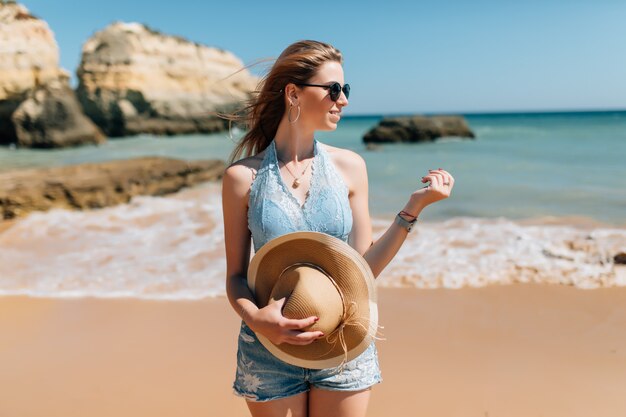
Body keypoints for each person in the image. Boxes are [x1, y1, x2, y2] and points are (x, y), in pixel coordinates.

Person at [221, 40, 454, 417]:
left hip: (344, 341)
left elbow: (362, 271)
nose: (342, 100)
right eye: (333, 89)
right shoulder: (241, 178)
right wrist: (255, 318)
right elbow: (234, 276)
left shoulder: (350, 167)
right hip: (267, 350)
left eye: (345, 89)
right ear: (293, 93)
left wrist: (413, 209)